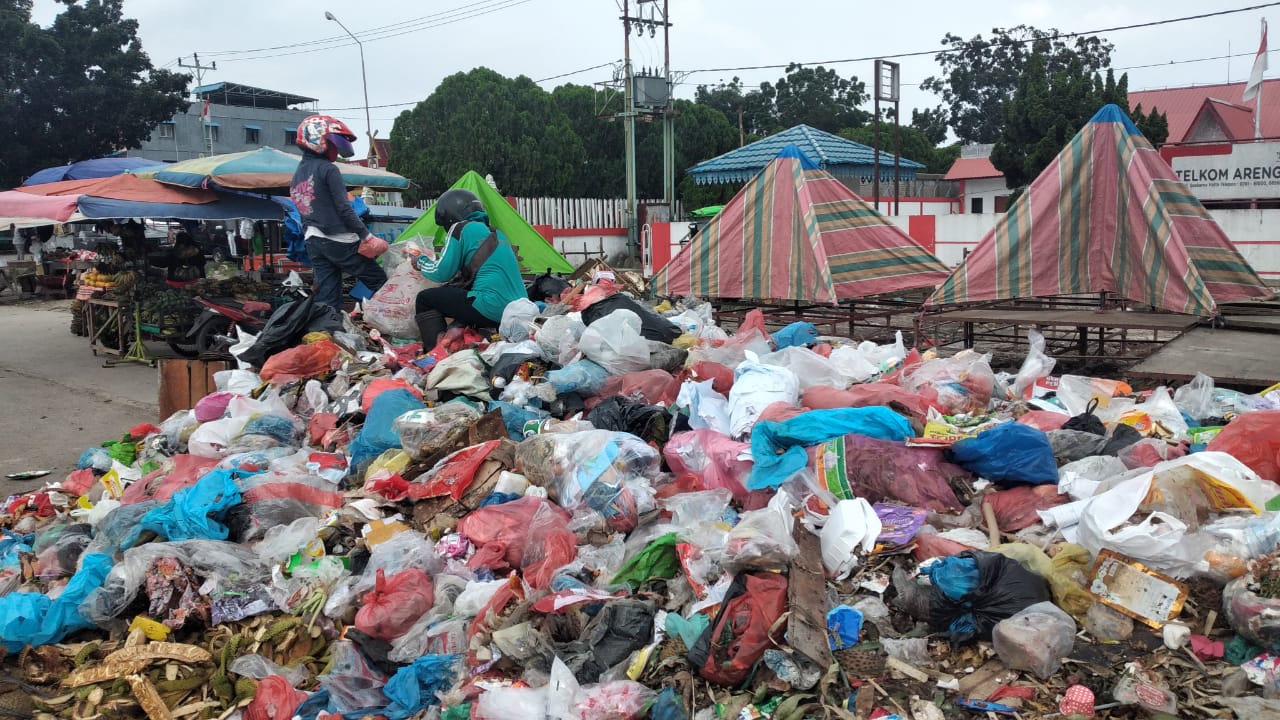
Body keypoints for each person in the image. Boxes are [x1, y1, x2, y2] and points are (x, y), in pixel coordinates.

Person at [290, 114, 386, 311]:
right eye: (333, 143)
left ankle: (329, 333)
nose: (336, 148)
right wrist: (367, 237)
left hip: (313, 242)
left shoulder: (298, 173)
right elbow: (344, 208)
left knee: (328, 298)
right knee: (380, 281)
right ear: (317, 140)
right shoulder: (328, 169)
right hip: (339, 240)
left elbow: (302, 209)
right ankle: (393, 325)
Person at [407, 189, 525, 345]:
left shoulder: (460, 228)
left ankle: (434, 355)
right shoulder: (498, 234)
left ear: (449, 216)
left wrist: (419, 260)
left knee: (425, 299)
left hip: (491, 307)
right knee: (461, 298)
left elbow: (440, 273)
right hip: (519, 310)